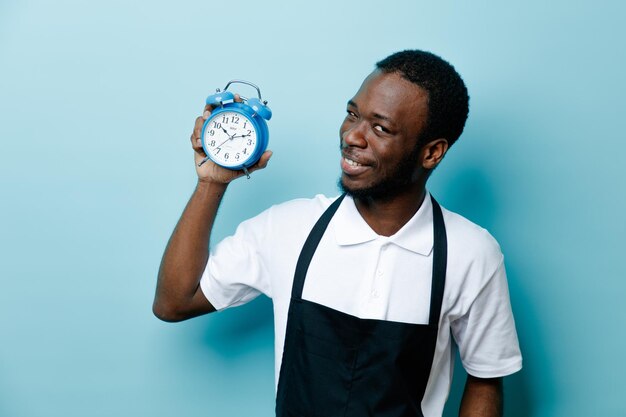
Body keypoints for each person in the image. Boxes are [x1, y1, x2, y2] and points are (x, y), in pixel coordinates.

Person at [153, 50, 522, 417]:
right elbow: (175, 302)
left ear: (432, 152)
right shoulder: (288, 229)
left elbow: (485, 378)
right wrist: (211, 184)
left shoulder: (471, 253)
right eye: (352, 114)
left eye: (380, 128)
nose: (352, 137)